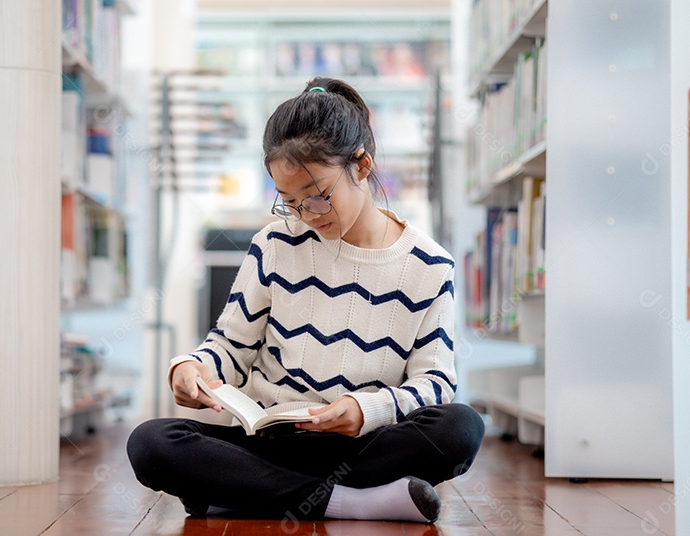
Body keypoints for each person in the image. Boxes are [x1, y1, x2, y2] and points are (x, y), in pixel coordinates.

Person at [126, 77, 484, 524]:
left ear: (362, 165)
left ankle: (247, 492)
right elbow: (231, 346)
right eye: (289, 201)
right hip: (270, 442)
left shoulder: (430, 265)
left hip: (363, 445)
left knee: (460, 428)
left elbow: (435, 382)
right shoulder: (275, 243)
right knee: (151, 443)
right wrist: (193, 368)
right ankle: (353, 502)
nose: (306, 215)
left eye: (317, 196)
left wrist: (366, 409)